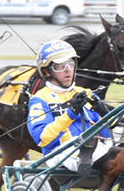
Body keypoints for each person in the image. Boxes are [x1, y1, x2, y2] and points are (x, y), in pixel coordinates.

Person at [28, 40, 112, 173]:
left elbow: (107, 134)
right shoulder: (39, 99)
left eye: (71, 64)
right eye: (60, 66)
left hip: (93, 145)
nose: (68, 69)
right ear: (46, 72)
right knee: (113, 157)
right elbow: (43, 138)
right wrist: (70, 114)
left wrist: (105, 115)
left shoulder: (86, 92)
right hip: (59, 152)